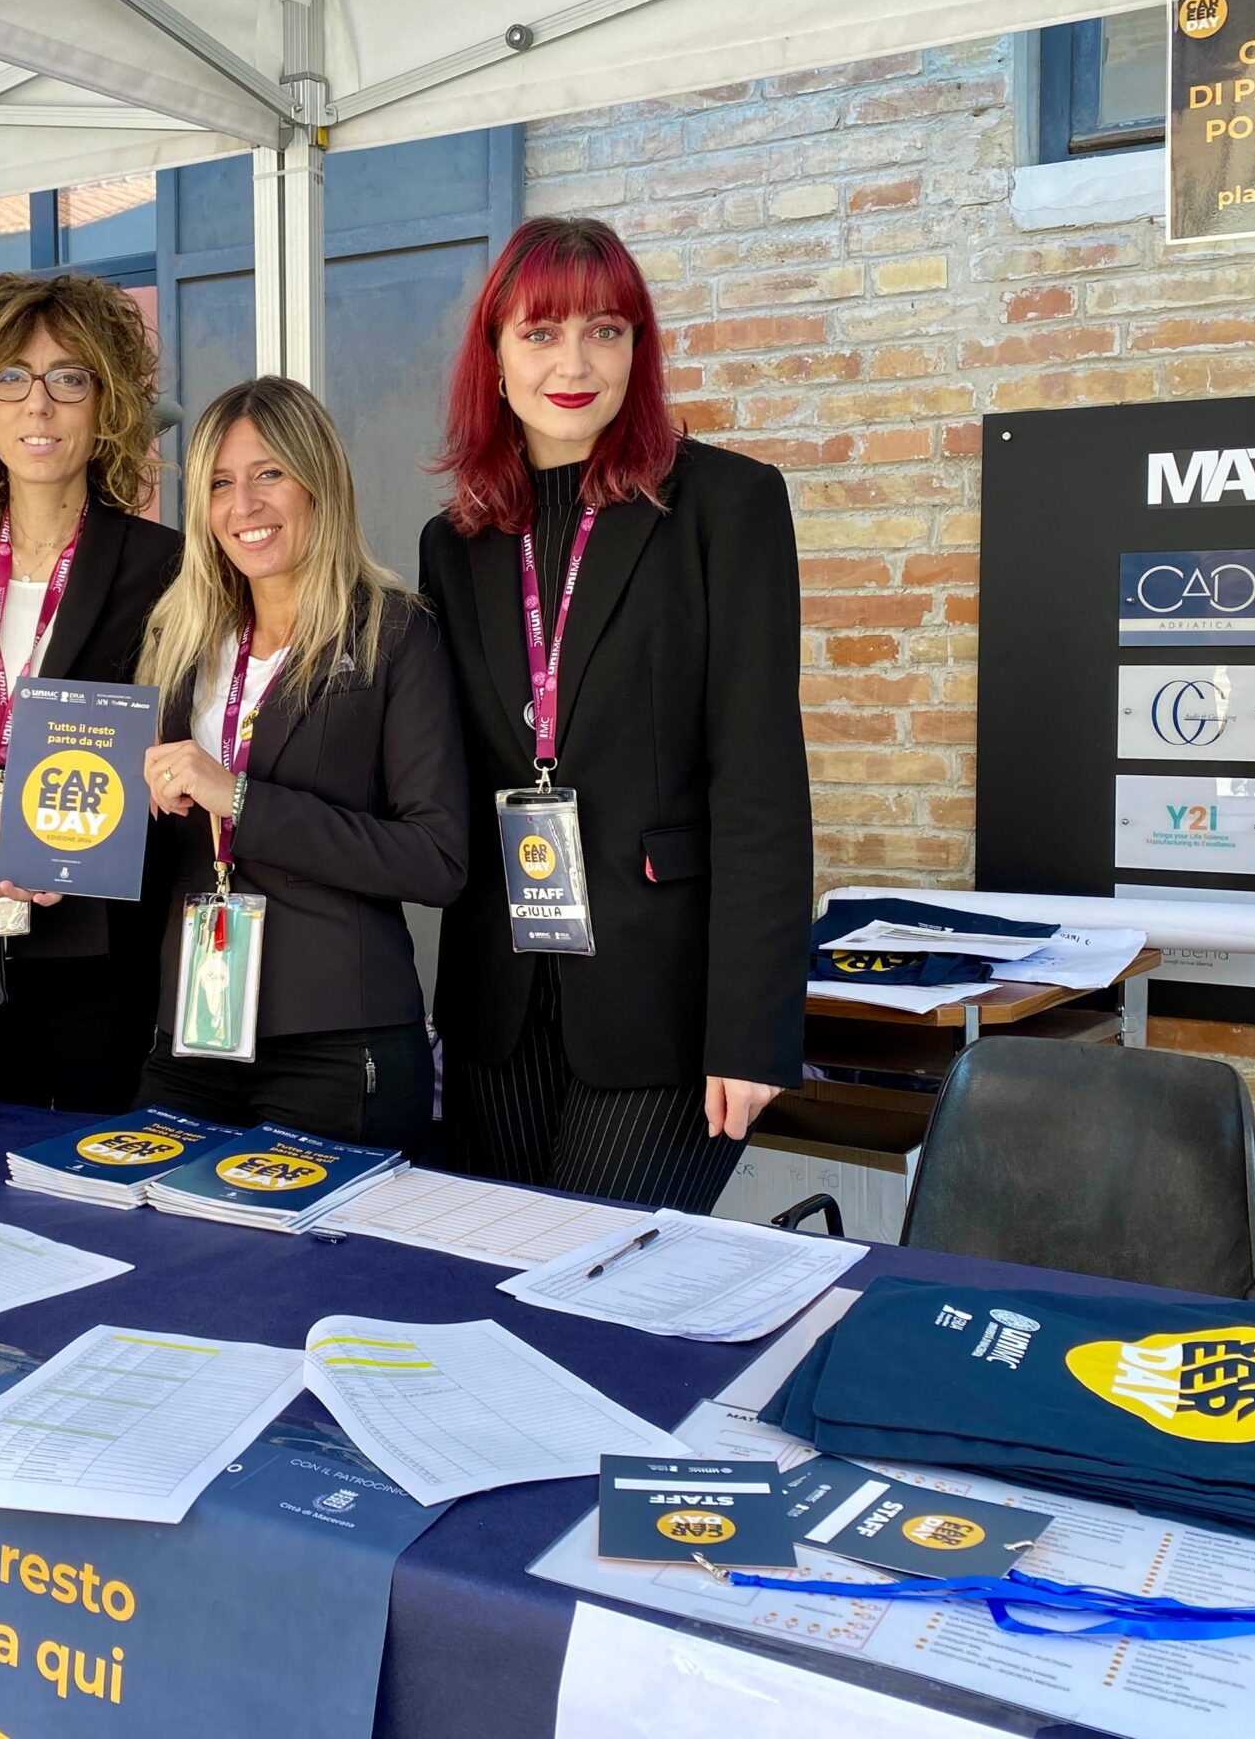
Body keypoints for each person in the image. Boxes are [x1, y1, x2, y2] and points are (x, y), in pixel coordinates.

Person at [417, 216, 811, 1211]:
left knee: (590, 1291)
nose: (575, 362)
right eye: (540, 334)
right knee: (489, 1288)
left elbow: (760, 786)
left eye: (606, 330)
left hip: (664, 1010)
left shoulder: (729, 506)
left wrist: (751, 1032)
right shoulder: (453, 542)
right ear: (494, 358)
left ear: (639, 347)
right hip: (497, 1007)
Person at [135, 376, 466, 1156]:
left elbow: (437, 859)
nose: (243, 505)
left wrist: (242, 799)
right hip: (192, 1034)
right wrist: (61, 852)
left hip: (337, 1045)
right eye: (220, 483)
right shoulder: (178, 645)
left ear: (319, 482)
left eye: (269, 474)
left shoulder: (395, 635)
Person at [0, 272, 180, 1108]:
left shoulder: (162, 564)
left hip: (93, 923)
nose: (38, 404)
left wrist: (73, 840)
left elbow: (167, 738)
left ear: (107, 405)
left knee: (87, 1170)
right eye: (11, 377)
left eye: (69, 378)